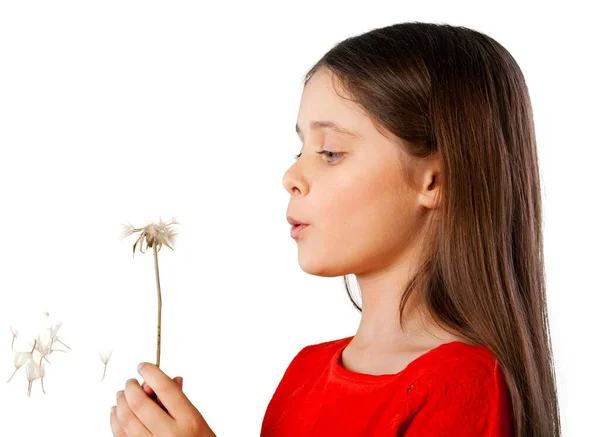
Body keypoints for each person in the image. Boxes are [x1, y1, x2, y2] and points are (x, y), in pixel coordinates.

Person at [109, 22, 561, 437]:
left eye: (330, 152)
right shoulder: (304, 372)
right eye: (299, 147)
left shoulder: (461, 385)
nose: (292, 176)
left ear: (434, 180)